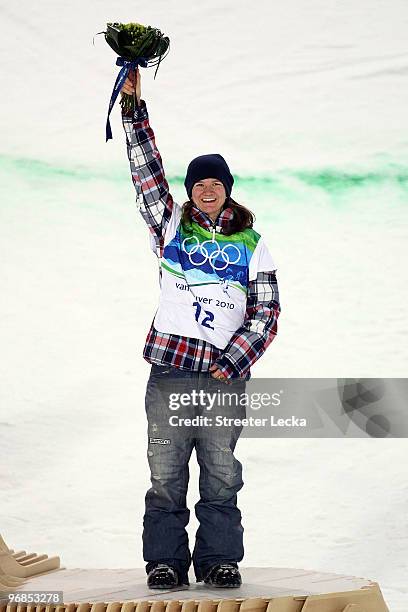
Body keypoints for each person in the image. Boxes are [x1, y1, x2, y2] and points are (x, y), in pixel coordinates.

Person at [120, 69, 281, 590]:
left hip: (222, 379)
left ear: (228, 191)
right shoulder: (169, 225)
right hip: (170, 371)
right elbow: (146, 174)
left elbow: (267, 311)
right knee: (165, 478)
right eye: (199, 183)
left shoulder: (253, 243)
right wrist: (132, 111)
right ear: (190, 192)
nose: (207, 189)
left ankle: (217, 561)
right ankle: (164, 561)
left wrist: (232, 360)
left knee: (220, 472)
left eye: (216, 182)